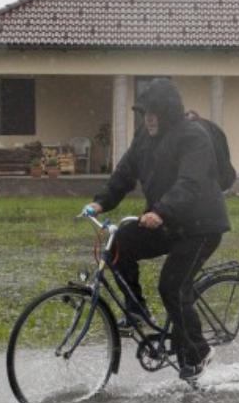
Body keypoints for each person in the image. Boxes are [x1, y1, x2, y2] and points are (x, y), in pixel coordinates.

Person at [83, 79, 230, 381]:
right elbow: (124, 173)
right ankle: (137, 311)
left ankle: (198, 351)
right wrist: (101, 203)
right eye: (144, 112)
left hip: (200, 227)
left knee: (172, 286)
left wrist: (160, 211)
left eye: (154, 112)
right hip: (167, 221)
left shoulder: (193, 137)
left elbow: (190, 184)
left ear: (168, 112)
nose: (148, 118)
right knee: (118, 244)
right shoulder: (144, 137)